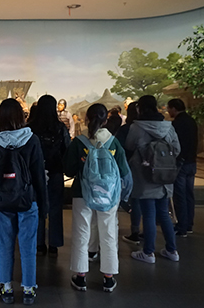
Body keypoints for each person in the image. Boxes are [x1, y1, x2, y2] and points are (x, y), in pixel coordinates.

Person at [0, 98, 48, 305]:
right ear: (21, 116)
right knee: (28, 245)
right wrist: (43, 204)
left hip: (3, 200)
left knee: (6, 244)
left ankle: (6, 287)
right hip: (28, 199)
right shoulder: (32, 139)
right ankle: (29, 289)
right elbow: (39, 175)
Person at [64, 103, 131, 293]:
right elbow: (124, 171)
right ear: (105, 120)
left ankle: (81, 276)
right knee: (109, 232)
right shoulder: (114, 142)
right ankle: (108, 278)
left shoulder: (79, 142)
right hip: (109, 195)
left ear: (86, 118)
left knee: (82, 232)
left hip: (82, 193)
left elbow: (68, 170)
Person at [126, 95, 181, 264]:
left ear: (140, 108)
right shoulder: (168, 126)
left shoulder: (137, 127)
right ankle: (172, 250)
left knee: (149, 214)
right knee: (164, 213)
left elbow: (129, 146)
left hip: (145, 175)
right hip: (164, 176)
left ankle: (148, 252)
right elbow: (177, 149)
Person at [27, 94, 70, 256]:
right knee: (55, 207)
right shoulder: (60, 128)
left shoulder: (30, 127)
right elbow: (67, 149)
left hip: (34, 173)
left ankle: (38, 244)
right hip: (55, 171)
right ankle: (54, 244)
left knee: (36, 207)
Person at [167, 99, 198, 237]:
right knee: (189, 194)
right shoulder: (191, 121)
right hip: (192, 162)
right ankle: (189, 224)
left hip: (181, 163)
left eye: (169, 108)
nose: (168, 111)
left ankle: (182, 227)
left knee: (180, 196)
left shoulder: (177, 124)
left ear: (174, 108)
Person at [116, 102, 143, 244]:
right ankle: (149, 232)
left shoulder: (127, 129)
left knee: (135, 199)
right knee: (150, 202)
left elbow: (121, 148)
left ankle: (135, 231)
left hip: (130, 167)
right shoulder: (153, 127)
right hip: (150, 168)